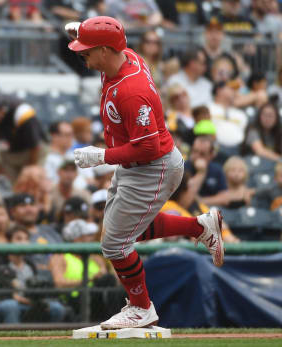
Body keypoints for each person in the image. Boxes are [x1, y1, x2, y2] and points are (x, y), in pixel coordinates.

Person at [65, 16, 224, 329]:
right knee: (124, 231)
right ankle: (199, 226)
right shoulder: (124, 56)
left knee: (114, 245)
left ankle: (141, 307)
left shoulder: (131, 91)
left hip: (153, 167)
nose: (79, 53)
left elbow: (149, 147)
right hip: (140, 165)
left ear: (106, 51)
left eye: (86, 48)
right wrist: (81, 29)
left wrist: (102, 156)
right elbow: (111, 40)